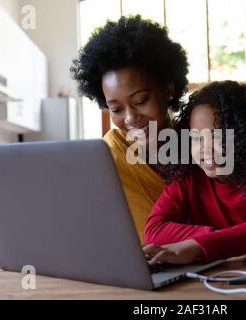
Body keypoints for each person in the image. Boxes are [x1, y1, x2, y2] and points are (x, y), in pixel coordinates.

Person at [143, 81, 246, 265]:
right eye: (196, 138)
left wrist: (196, 246)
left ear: (245, 138)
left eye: (218, 137)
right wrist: (240, 242)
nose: (206, 149)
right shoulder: (187, 174)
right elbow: (153, 231)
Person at [71, 16, 189, 242]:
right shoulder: (105, 158)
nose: (131, 118)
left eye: (141, 101)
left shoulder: (198, 142)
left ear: (168, 89)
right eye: (116, 109)